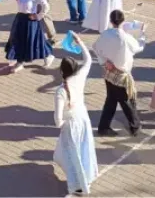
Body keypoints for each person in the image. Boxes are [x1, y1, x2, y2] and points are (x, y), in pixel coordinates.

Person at [54, 31, 98, 195]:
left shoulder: (61, 91)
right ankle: (87, 177)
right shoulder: (80, 76)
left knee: (72, 156)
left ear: (61, 72)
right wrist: (79, 41)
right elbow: (88, 59)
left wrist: (62, 124)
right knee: (84, 149)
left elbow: (58, 119)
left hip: (70, 124)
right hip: (83, 119)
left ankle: (77, 186)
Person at [93, 9, 145, 136]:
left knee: (111, 99)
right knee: (127, 100)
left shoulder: (105, 34)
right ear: (123, 21)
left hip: (109, 72)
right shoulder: (126, 38)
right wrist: (143, 34)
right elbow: (139, 47)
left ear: (111, 21)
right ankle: (135, 126)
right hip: (121, 74)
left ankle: (104, 127)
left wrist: (104, 62)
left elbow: (95, 47)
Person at [6, 0, 53, 73]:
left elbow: (46, 6)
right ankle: (19, 62)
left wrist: (38, 16)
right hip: (20, 19)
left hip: (31, 21)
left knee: (35, 42)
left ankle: (48, 56)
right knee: (17, 40)